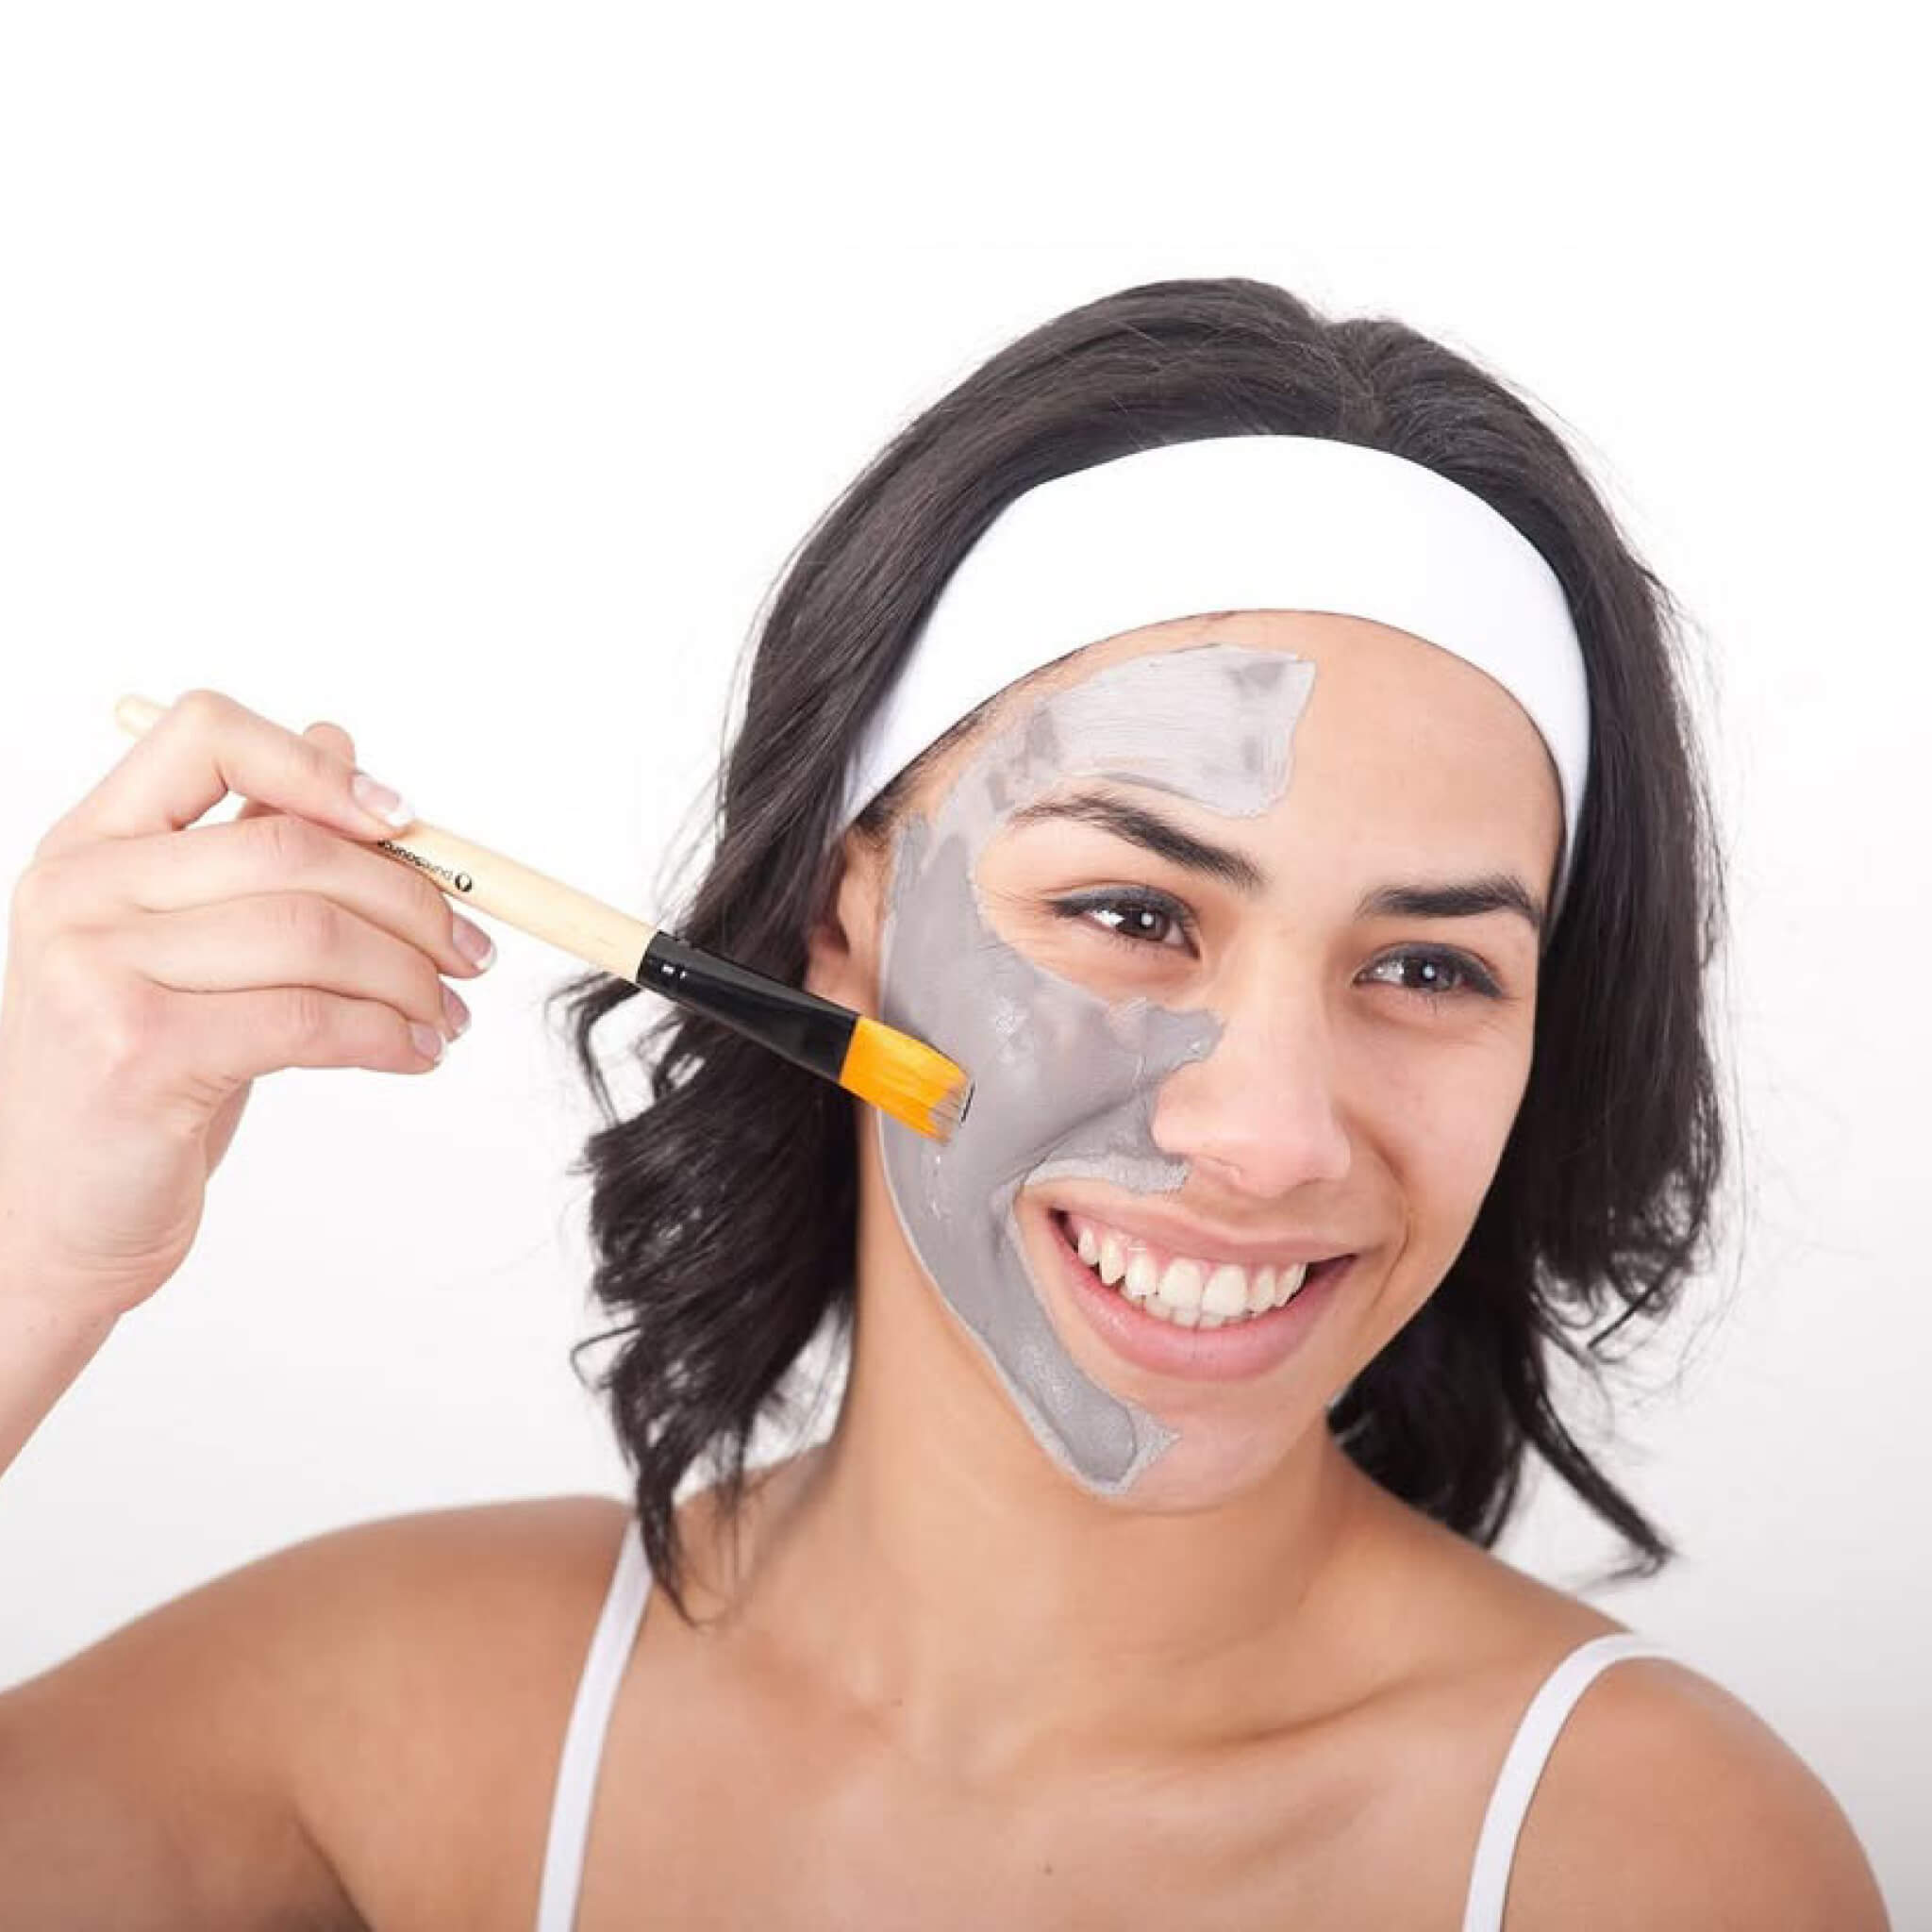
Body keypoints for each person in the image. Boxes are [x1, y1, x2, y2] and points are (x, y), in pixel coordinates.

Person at [0, 276, 1889, 1928]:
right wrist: (28, 1248)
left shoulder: (1638, 1854)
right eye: (1133, 913)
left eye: (1428, 967)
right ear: (842, 918)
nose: (1268, 1132)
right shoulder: (385, 1722)